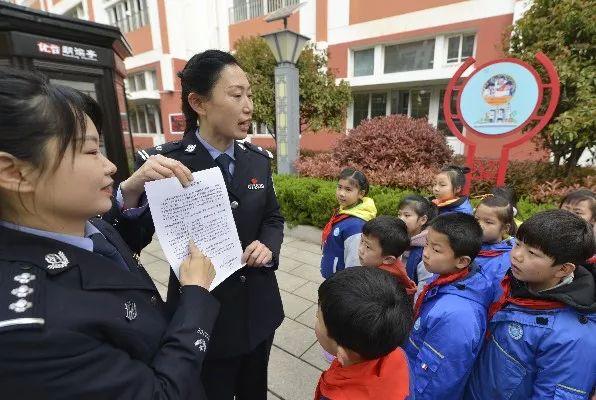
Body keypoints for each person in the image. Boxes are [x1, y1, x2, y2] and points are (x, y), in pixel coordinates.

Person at [0, 68, 220, 399]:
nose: (110, 166)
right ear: (15, 172)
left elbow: (112, 254)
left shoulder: (77, 220)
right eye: (90, 151)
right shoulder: (31, 332)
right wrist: (195, 295)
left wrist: (130, 191)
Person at [106, 50, 284, 400]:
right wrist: (130, 190)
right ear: (198, 103)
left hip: (259, 311)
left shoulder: (257, 161)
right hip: (204, 319)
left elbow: (272, 218)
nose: (248, 106)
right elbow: (129, 241)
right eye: (236, 95)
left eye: (249, 94)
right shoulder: (165, 164)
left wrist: (269, 245)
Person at [465, 210, 596, 400]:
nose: (517, 255)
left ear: (563, 269)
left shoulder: (573, 338)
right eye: (517, 244)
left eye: (532, 253)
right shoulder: (517, 280)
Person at [405, 213, 494, 400]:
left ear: (462, 261)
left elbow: (436, 382)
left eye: (436, 250)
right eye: (427, 243)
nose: (426, 252)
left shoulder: (458, 316)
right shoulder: (446, 277)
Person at [314, 267, 414, 400]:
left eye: (319, 318)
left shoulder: (335, 396)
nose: (315, 315)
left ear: (342, 353)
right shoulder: (398, 355)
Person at [320, 168, 377, 279]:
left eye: (348, 189)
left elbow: (354, 263)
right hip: (333, 278)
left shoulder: (356, 226)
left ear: (361, 193)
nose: (341, 193)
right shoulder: (344, 211)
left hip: (341, 283)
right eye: (339, 187)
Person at [358, 215, 417, 297]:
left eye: (368, 246)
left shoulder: (381, 286)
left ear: (388, 259)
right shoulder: (380, 266)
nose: (360, 249)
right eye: (362, 241)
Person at [474, 189, 517, 291]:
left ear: (505, 228)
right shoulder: (466, 242)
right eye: (476, 219)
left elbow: (499, 292)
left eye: (488, 222)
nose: (479, 225)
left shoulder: (508, 258)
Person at [398, 194, 437, 292]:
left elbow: (423, 290)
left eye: (407, 215)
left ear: (423, 220)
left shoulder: (425, 250)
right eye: (399, 214)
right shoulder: (396, 239)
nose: (401, 219)